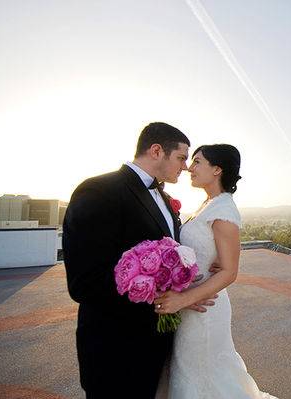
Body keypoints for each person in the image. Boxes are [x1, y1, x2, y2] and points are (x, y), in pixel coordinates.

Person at [63, 122, 218, 398]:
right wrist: (169, 297)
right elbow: (84, 282)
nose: (185, 167)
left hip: (159, 348)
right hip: (116, 352)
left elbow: (174, 254)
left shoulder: (166, 198)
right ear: (157, 151)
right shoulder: (99, 191)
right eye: (182, 157)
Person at [154, 144, 277, 398]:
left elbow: (230, 272)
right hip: (191, 306)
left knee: (202, 373)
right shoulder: (208, 204)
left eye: (198, 162)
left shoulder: (223, 209)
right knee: (191, 370)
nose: (190, 167)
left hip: (204, 310)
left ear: (217, 170)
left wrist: (183, 299)